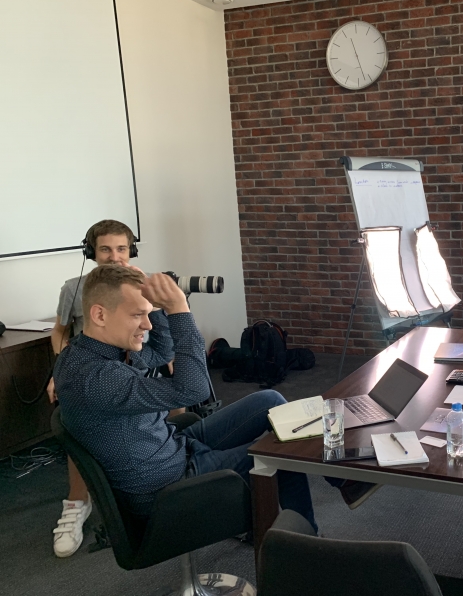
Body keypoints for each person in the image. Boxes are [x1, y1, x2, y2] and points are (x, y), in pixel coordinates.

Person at [53, 265, 376, 535]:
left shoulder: (91, 352)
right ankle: (303, 543)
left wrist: (160, 306)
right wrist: (179, 309)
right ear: (99, 314)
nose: (147, 325)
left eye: (148, 314)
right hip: (169, 485)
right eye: (138, 314)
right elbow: (193, 389)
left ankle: (343, 477)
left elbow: (161, 351)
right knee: (282, 453)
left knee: (270, 399)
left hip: (173, 447)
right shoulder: (98, 378)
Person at [49, 219, 138, 557]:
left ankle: (167, 483)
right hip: (89, 374)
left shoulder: (142, 284)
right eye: (105, 249)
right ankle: (77, 502)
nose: (115, 257)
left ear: (131, 251)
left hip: (134, 370)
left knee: (176, 409)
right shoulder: (75, 289)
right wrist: (61, 372)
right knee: (80, 422)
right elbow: (59, 333)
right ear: (91, 252)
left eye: (121, 248)